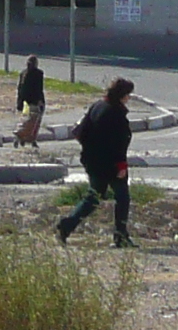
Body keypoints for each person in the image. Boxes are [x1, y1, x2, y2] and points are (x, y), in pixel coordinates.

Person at [56, 76, 137, 248]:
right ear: (122, 95)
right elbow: (118, 144)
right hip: (111, 165)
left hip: (92, 161)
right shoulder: (116, 113)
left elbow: (79, 131)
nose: (129, 98)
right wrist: (121, 166)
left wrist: (91, 149)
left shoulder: (97, 106)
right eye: (128, 94)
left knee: (93, 197)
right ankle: (120, 235)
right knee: (122, 198)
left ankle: (67, 225)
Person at [13, 55, 47, 148]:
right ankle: (30, 139)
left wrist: (19, 103)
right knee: (35, 122)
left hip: (25, 102)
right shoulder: (39, 73)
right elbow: (39, 89)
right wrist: (40, 101)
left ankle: (22, 138)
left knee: (26, 120)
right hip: (35, 101)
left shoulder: (23, 73)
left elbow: (20, 89)